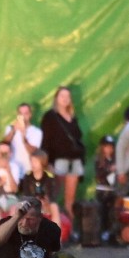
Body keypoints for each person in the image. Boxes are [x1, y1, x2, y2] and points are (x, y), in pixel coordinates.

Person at [41, 86, 85, 220]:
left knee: (69, 201)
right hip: (57, 161)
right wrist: (48, 162)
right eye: (62, 96)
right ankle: (47, 227)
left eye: (67, 96)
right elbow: (46, 140)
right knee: (51, 197)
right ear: (56, 98)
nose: (65, 99)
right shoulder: (50, 116)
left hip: (74, 161)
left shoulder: (73, 117)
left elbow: (77, 138)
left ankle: (69, 231)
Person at [19, 150, 61, 229]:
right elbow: (26, 194)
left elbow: (52, 194)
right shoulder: (27, 176)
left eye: (35, 161)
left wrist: (45, 201)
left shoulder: (49, 177)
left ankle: (56, 235)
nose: (32, 164)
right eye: (31, 161)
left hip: (46, 203)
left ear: (42, 162)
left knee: (54, 206)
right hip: (32, 203)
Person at [1, 103, 42, 177]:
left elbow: (33, 151)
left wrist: (23, 137)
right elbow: (3, 145)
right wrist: (13, 130)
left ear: (30, 115)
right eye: (20, 113)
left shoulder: (37, 132)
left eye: (26, 113)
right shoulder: (10, 129)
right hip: (13, 171)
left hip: (29, 171)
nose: (23, 116)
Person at [94, 135, 116, 242]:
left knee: (111, 212)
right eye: (106, 146)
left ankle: (109, 231)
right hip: (102, 190)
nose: (109, 149)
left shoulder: (115, 160)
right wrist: (109, 170)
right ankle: (101, 231)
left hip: (112, 190)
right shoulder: (99, 160)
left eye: (111, 147)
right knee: (102, 212)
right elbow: (99, 175)